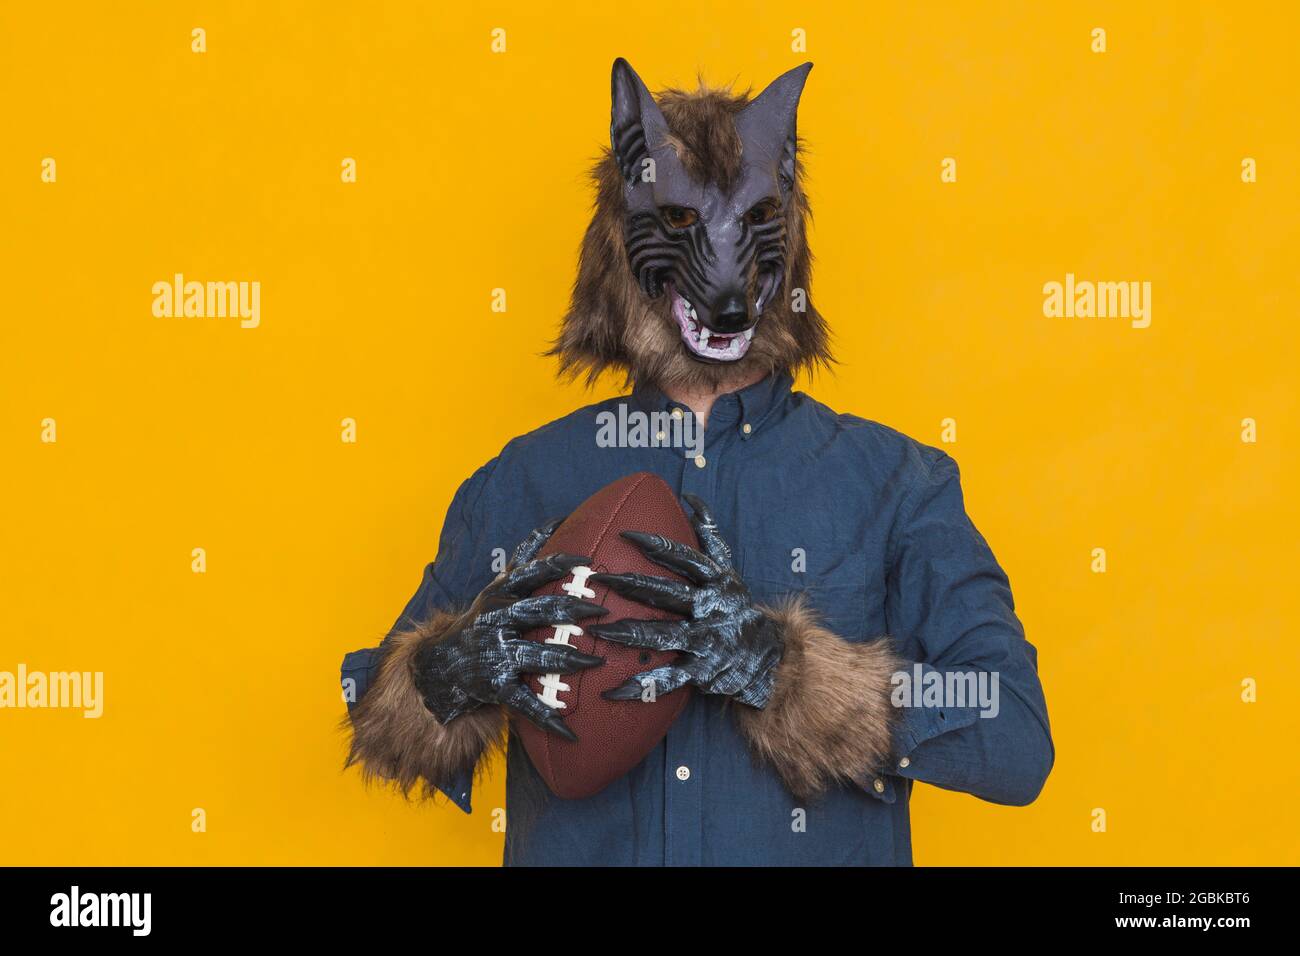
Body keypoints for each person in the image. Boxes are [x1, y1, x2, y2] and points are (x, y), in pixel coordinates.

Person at [340, 59, 1053, 866]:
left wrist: (796, 676)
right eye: (679, 221)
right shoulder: (528, 475)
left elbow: (1013, 733)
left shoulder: (899, 483)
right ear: (618, 247)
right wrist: (446, 672)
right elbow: (376, 714)